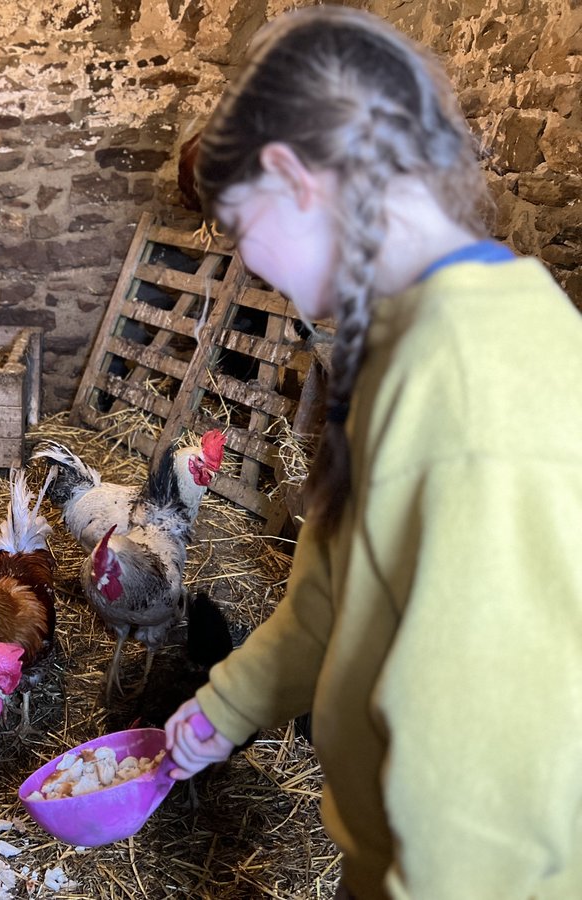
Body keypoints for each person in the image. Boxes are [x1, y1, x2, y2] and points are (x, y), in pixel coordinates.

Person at [163, 6, 582, 900]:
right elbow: (335, 593)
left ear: (291, 176)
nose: (252, 266)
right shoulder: (411, 339)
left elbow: (491, 776)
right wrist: (223, 709)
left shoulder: (471, 388)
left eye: (241, 232)